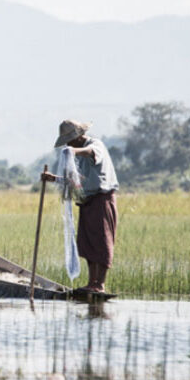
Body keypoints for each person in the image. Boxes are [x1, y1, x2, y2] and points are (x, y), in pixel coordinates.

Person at [41, 120, 119, 293]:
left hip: (102, 200)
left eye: (69, 141)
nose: (68, 145)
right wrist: (52, 178)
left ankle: (100, 284)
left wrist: (74, 151)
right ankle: (92, 282)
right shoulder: (77, 158)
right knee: (87, 244)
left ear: (77, 137)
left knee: (102, 242)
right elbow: (75, 182)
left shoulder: (93, 145)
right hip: (87, 201)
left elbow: (92, 153)